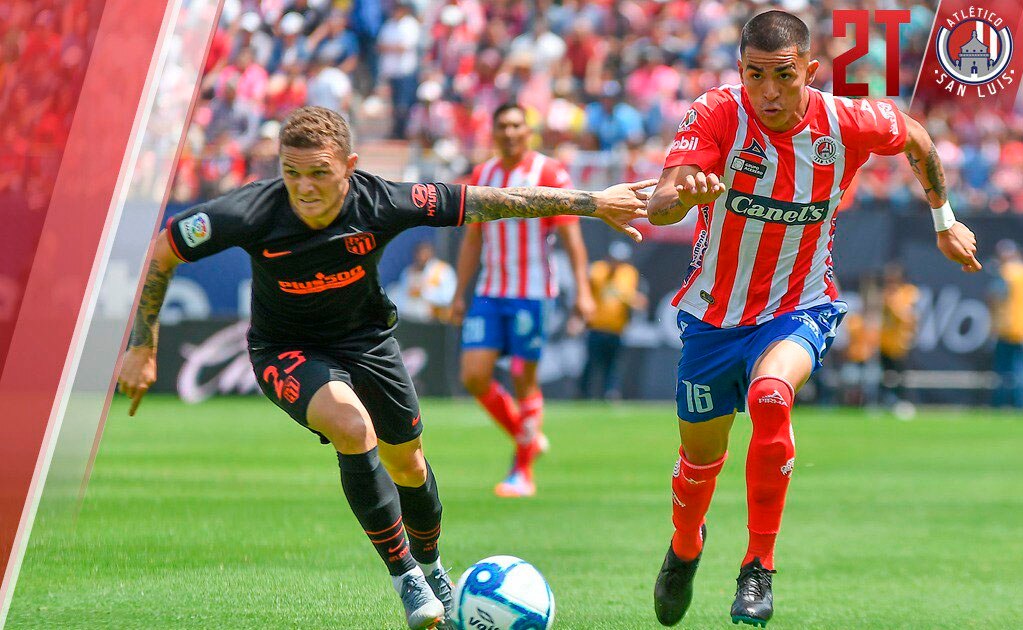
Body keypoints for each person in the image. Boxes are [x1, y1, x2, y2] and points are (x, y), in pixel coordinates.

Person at [117, 106, 651, 630]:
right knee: (353, 428)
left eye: (319, 173)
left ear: (349, 166)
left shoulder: (385, 200)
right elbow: (164, 250)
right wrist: (143, 345)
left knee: (410, 466)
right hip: (285, 349)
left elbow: (498, 199)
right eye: (291, 173)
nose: (304, 188)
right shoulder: (249, 211)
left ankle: (434, 566)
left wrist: (592, 202)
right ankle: (406, 578)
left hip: (367, 341)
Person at [643, 11, 981, 628]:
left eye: (783, 76)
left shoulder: (845, 120)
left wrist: (944, 220)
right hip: (714, 318)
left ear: (811, 72)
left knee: (772, 395)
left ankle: (757, 568)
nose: (768, 92)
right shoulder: (718, 112)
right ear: (740, 70)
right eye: (754, 75)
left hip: (798, 304)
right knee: (698, 464)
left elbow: (917, 139)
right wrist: (683, 193)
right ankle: (685, 548)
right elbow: (663, 204)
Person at [449, 102, 596, 498]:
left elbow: (570, 236)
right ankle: (526, 435)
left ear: (527, 131)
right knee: (474, 376)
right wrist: (459, 294)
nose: (510, 132)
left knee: (522, 377)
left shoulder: (548, 173)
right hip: (489, 291)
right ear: (494, 132)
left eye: (517, 125)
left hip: (532, 294)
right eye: (503, 126)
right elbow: (472, 239)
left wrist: (583, 289)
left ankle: (522, 471)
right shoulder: (485, 174)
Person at [579, 241, 647, 400]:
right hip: (596, 326)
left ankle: (610, 394)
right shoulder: (597, 270)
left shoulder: (629, 273)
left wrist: (635, 301)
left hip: (617, 328)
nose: (617, 263)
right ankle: (583, 393)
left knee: (613, 365)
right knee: (591, 363)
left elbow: (634, 297)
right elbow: (586, 294)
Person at [879, 264, 919, 415]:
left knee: (901, 376)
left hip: (902, 342)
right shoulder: (886, 294)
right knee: (887, 375)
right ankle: (888, 402)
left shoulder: (909, 292)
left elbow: (908, 315)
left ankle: (904, 403)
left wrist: (893, 304)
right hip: (886, 342)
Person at [388, 240, 457, 323]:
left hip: (438, 322)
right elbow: (402, 298)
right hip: (412, 321)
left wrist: (424, 291)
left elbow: (449, 298)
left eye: (425, 253)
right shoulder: (408, 272)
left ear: (432, 253)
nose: (422, 257)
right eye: (419, 254)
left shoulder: (443, 271)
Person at [990, 239, 1023, 408]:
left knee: (1005, 371)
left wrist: (993, 325)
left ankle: (1001, 404)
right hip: (1020, 328)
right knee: (1019, 370)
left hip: (1008, 328)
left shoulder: (1005, 273)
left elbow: (995, 298)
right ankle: (1019, 405)